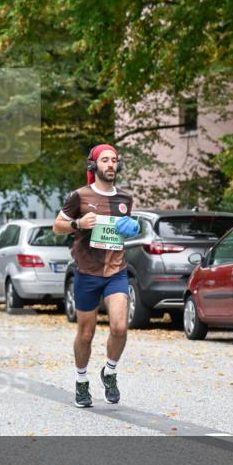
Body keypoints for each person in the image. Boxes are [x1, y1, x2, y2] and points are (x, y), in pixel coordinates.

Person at [53, 144, 140, 408]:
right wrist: (78, 224)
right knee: (86, 333)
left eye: (114, 160)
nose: (111, 164)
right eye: (105, 160)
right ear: (94, 165)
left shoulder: (125, 199)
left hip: (116, 271)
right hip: (87, 272)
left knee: (120, 327)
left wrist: (132, 228)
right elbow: (57, 227)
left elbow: (123, 229)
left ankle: (110, 373)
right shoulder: (79, 196)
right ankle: (81, 381)